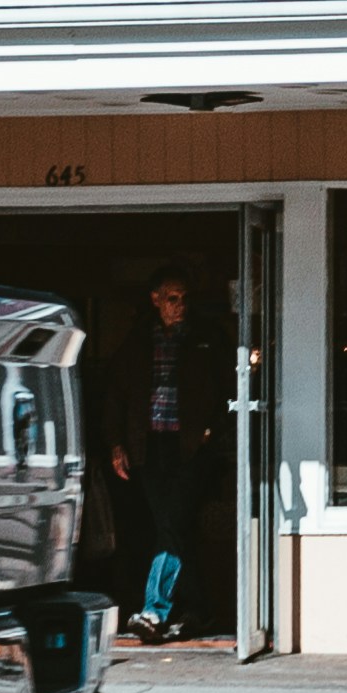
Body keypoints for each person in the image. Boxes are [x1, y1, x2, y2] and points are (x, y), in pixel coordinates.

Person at [111, 273, 219, 644]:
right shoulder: (138, 340)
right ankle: (199, 609)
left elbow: (224, 386)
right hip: (150, 445)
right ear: (155, 298)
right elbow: (118, 394)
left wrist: (212, 432)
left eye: (184, 298)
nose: (179, 306)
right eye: (172, 298)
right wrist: (117, 443)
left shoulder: (202, 338)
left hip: (188, 447)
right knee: (173, 526)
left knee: (171, 522)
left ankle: (154, 611)